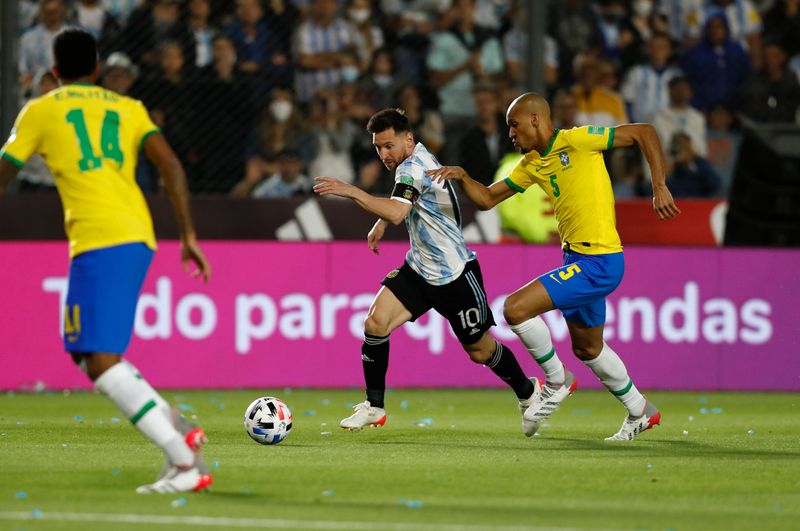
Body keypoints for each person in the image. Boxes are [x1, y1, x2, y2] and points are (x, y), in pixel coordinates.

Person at [0, 29, 213, 492]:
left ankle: (183, 463)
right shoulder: (129, 108)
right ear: (97, 70)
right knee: (85, 351)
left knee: (98, 360)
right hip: (135, 234)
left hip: (101, 238)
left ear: (54, 72)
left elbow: (5, 169)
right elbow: (172, 167)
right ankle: (177, 428)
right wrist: (189, 235)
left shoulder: (40, 109)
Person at [427, 93, 681, 441]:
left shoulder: (577, 140)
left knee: (514, 308)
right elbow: (487, 198)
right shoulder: (531, 163)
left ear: (535, 119)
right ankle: (640, 410)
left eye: (514, 125)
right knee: (588, 348)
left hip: (600, 260)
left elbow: (644, 132)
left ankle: (556, 379)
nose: (511, 134)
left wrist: (659, 185)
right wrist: (463, 176)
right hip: (576, 258)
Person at [313, 108, 542, 435]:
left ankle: (528, 391)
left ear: (408, 139)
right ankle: (374, 406)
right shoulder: (418, 157)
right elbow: (407, 204)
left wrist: (352, 191)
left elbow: (397, 211)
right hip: (420, 268)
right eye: (378, 148)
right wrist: (380, 221)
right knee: (375, 323)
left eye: (389, 145)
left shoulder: (413, 166)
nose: (384, 154)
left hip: (455, 274)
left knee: (480, 350)